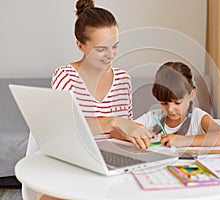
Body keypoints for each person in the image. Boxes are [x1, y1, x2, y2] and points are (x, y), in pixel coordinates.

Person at [23, 1, 153, 199]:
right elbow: (61, 129)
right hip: (69, 163)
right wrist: (111, 121)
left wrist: (133, 135)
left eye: (115, 46)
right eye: (101, 49)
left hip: (108, 164)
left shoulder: (123, 80)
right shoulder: (66, 76)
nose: (111, 55)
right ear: (80, 45)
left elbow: (117, 133)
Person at [135, 62, 220, 147]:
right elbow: (123, 131)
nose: (170, 109)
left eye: (177, 102)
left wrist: (184, 140)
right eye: (164, 103)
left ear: (192, 94)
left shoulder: (198, 118)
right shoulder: (153, 117)